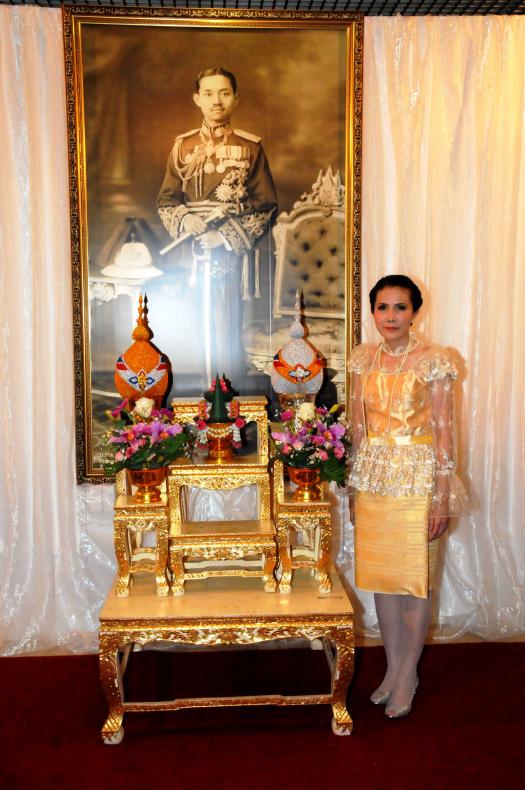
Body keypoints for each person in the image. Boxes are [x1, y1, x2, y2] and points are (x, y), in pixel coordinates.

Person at [347, 274, 468, 718]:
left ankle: (408, 675)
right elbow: (357, 429)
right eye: (382, 307)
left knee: (415, 581)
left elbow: (444, 432)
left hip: (418, 480)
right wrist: (353, 488)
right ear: (373, 312)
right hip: (374, 479)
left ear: (415, 311)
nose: (391, 316)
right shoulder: (363, 359)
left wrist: (441, 495)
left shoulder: (434, 361)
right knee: (383, 578)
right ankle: (394, 669)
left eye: (400, 307)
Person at [157, 67, 277, 387]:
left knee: (227, 323)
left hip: (229, 252)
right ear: (197, 99)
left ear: (236, 99)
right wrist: (186, 219)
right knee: (196, 323)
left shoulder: (250, 147)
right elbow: (166, 200)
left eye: (224, 93)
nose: (216, 100)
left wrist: (223, 236)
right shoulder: (182, 147)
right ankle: (204, 396)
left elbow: (266, 204)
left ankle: (228, 397)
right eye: (208, 93)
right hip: (190, 249)